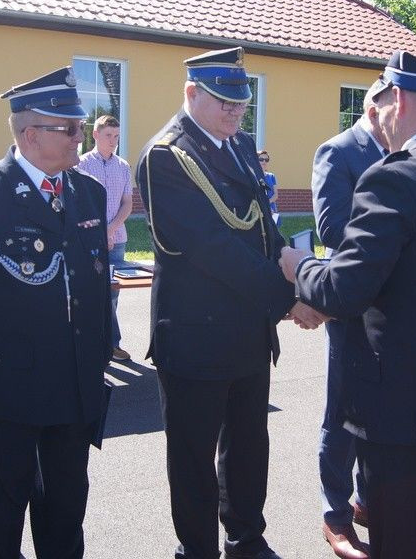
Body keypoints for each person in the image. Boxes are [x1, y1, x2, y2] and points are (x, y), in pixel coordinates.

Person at [281, 49, 416, 559]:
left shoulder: (393, 176)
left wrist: (297, 266)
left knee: (404, 543)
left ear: (396, 98)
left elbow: (344, 290)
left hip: (401, 408)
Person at [136, 47, 322, 559]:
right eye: (224, 102)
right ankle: (197, 549)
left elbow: (263, 225)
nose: (236, 112)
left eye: (242, 104)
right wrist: (287, 298)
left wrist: (298, 273)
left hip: (246, 330)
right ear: (192, 93)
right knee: (193, 457)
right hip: (195, 334)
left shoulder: (238, 146)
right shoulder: (166, 156)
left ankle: (246, 540)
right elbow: (208, 250)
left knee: (247, 449)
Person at [0, 66, 112, 558]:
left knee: (65, 517)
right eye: (71, 128)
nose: (82, 136)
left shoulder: (87, 191)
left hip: (73, 390)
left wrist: (100, 361)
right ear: (30, 135)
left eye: (81, 126)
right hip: (6, 395)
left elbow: (96, 286)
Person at [310, 78, 390, 559]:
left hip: (392, 306)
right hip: (353, 301)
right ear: (373, 107)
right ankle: (335, 514)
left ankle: (365, 499)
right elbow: (331, 227)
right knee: (342, 413)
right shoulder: (339, 151)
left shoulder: (403, 153)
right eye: (393, 105)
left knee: (379, 409)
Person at [76, 114, 134, 362]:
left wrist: (110, 231)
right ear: (95, 135)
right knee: (90, 293)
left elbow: (128, 204)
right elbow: (79, 204)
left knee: (112, 295)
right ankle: (91, 345)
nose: (113, 141)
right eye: (109, 135)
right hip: (89, 240)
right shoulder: (80, 165)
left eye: (117, 136)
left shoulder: (123, 166)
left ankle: (111, 344)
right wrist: (100, 233)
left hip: (117, 239)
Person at [258, 150, 280, 225]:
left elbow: (276, 195)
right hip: (259, 209)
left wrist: (268, 204)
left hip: (272, 209)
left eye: (266, 160)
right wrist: (265, 207)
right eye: (261, 159)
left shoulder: (271, 176)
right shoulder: (254, 177)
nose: (264, 162)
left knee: (274, 233)